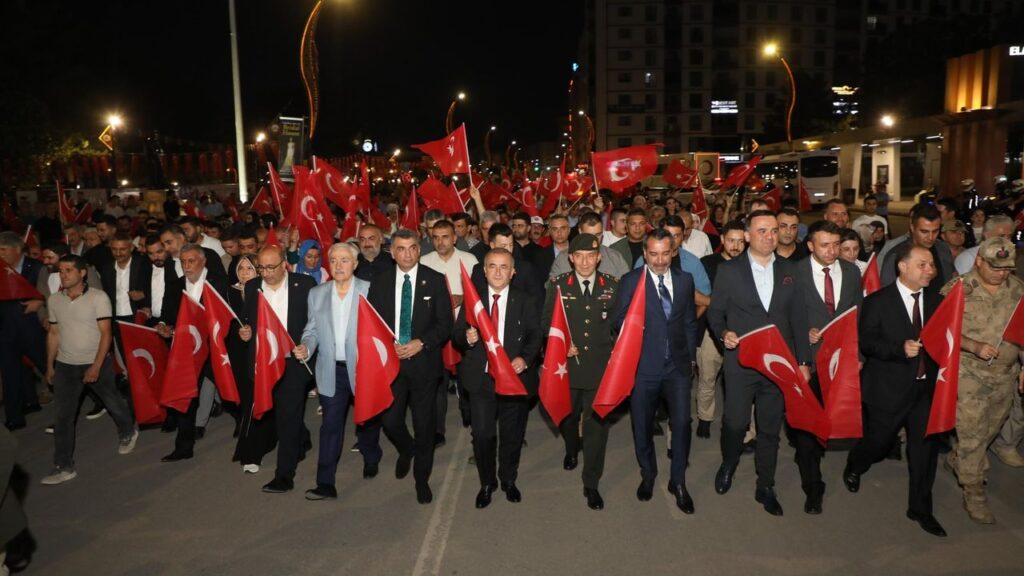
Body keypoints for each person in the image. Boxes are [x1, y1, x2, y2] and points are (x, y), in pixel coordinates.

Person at [707, 210, 812, 516]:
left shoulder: (791, 271)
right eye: (762, 231)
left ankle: (765, 484)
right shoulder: (730, 271)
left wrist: (803, 361)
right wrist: (723, 332)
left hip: (779, 365)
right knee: (735, 423)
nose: (769, 236)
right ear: (748, 236)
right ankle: (729, 462)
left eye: (773, 231)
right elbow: (715, 313)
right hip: (741, 362)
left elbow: (799, 318)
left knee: (769, 429)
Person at [843, 244, 947, 537]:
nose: (930, 270)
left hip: (925, 390)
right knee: (878, 442)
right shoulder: (878, 302)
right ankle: (856, 462)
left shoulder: (938, 302)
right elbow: (866, 342)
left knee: (924, 451)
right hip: (887, 389)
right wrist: (898, 349)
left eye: (931, 265)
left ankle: (920, 508)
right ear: (903, 266)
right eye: (923, 265)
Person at [614, 229, 699, 513]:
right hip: (643, 368)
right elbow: (617, 324)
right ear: (644, 254)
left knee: (683, 423)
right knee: (642, 424)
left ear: (673, 251)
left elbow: (688, 321)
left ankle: (679, 481)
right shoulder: (631, 282)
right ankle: (648, 474)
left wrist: (689, 360)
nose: (660, 260)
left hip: (676, 367)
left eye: (665, 253)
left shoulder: (685, 281)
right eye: (654, 254)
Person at [367, 229, 454, 504]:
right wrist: (386, 344)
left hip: (425, 366)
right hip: (391, 366)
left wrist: (422, 343)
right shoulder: (379, 282)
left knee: (424, 425)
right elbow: (372, 323)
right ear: (391, 252)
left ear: (419, 249)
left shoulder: (435, 280)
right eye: (401, 249)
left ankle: (422, 479)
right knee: (390, 421)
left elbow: (446, 325)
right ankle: (406, 449)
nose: (407, 254)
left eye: (412, 248)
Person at [942, 238, 1024, 523]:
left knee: (989, 430)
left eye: (1006, 268)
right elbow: (941, 332)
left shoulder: (1018, 289)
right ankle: (974, 493)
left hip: (1005, 375)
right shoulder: (958, 289)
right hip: (969, 375)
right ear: (978, 261)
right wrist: (972, 345)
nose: (1001, 274)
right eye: (995, 267)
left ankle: (959, 458)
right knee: (974, 436)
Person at [452, 248, 540, 509]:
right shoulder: (473, 302)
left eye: (504, 267)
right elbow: (456, 335)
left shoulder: (525, 300)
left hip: (514, 380)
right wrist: (465, 339)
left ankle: (508, 480)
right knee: (482, 435)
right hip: (481, 381)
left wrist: (524, 359)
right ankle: (487, 482)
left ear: (513, 272)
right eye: (492, 266)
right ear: (484, 271)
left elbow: (536, 336)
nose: (498, 272)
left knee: (512, 435)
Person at [295, 242, 383, 500]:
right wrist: (305, 347)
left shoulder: (369, 291)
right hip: (330, 369)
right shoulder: (317, 293)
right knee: (330, 425)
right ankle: (325, 482)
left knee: (366, 420)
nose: (339, 265)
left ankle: (371, 455)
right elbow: (311, 330)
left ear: (355, 264)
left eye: (345, 260)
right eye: (334, 260)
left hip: (363, 370)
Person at [42, 255, 138, 485]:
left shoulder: (98, 298)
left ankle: (127, 430)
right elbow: (54, 333)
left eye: (68, 270)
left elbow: (106, 333)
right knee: (63, 416)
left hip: (96, 361)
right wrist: (49, 365)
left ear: (82, 273)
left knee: (112, 401)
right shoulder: (55, 300)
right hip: (66, 365)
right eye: (60, 271)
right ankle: (63, 465)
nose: (63, 275)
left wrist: (96, 365)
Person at [542, 234, 618, 510]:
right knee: (567, 416)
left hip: (600, 368)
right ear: (570, 258)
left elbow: (620, 327)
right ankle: (571, 447)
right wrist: (560, 344)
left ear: (599, 257)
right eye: (579, 256)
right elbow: (545, 323)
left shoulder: (612, 286)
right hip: (567, 368)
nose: (585, 262)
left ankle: (591, 483)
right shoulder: (559, 285)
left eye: (591, 256)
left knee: (597, 427)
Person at [794, 220, 863, 514]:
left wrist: (859, 355)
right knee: (808, 427)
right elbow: (785, 317)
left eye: (836, 244)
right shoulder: (794, 273)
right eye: (825, 245)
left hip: (842, 362)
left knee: (836, 418)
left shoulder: (851, 272)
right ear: (810, 246)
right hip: (807, 361)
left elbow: (858, 315)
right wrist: (803, 335)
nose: (832, 251)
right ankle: (813, 486)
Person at [238, 245, 317, 494]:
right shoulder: (253, 288)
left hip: (293, 361)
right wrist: (246, 332)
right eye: (261, 267)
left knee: (288, 418)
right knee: (276, 412)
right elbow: (248, 321)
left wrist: (306, 345)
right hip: (264, 362)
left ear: (285, 264)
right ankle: (301, 440)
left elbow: (314, 324)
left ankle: (284, 475)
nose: (266, 272)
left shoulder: (304, 285)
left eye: (271, 267)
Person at [155, 244, 230, 461]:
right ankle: (183, 447)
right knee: (186, 397)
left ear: (203, 261)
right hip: (188, 351)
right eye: (183, 262)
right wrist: (164, 326)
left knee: (228, 391)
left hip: (215, 349)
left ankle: (246, 425)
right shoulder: (175, 286)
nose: (187, 266)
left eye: (191, 261)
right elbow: (167, 315)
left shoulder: (218, 282)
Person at [419, 219, 479, 445]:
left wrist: (463, 298)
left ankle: (470, 414)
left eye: (445, 236)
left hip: (465, 330)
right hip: (436, 332)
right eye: (435, 237)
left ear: (455, 238)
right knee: (437, 383)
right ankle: (438, 430)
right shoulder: (424, 262)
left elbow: (479, 293)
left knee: (467, 379)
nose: (440, 241)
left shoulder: (469, 260)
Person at [695, 221, 746, 438]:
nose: (735, 245)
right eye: (731, 240)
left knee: (742, 384)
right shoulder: (707, 263)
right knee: (707, 377)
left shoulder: (752, 264)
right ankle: (705, 418)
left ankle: (743, 429)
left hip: (744, 332)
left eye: (740, 241)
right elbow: (693, 292)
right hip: (711, 330)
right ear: (722, 240)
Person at [229, 255, 276, 474]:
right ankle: (252, 448)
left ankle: (252, 451)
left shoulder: (264, 291)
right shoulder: (229, 293)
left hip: (267, 353)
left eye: (250, 268)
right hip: (241, 355)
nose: (245, 272)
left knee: (267, 401)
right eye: (241, 268)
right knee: (251, 402)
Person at [0, 232, 45, 430]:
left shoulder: (36, 267)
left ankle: (70, 401)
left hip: (33, 326)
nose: (0, 254)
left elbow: (49, 291)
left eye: (3, 250)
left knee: (47, 365)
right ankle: (15, 416)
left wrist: (40, 301)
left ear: (17, 249)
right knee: (10, 372)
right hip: (5, 329)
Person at [879, 204, 954, 291]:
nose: (930, 237)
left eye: (935, 231)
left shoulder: (943, 249)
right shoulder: (896, 255)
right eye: (924, 231)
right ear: (912, 227)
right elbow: (888, 292)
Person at [547, 212, 630, 280]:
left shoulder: (614, 257)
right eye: (589, 235)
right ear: (580, 231)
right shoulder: (563, 258)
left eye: (598, 234)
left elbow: (627, 287)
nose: (594, 240)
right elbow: (552, 289)